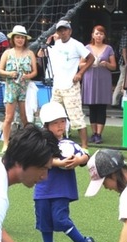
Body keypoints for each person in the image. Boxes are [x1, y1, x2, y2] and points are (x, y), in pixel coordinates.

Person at [33, 101, 93, 242]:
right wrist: (59, 163)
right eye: (55, 123)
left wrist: (78, 160)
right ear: (46, 125)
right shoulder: (40, 143)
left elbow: (86, 155)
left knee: (60, 218)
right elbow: (40, 159)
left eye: (62, 121)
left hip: (62, 189)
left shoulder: (69, 144)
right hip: (43, 188)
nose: (60, 126)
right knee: (44, 219)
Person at [38, 20, 94, 150]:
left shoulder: (76, 44)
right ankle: (52, 143)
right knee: (52, 115)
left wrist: (80, 73)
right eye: (60, 30)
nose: (62, 32)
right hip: (57, 86)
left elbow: (91, 58)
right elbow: (40, 55)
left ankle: (85, 146)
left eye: (65, 30)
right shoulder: (56, 44)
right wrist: (47, 42)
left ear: (70, 31)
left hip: (70, 86)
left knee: (76, 117)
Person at [0, 25, 38, 152]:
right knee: (8, 117)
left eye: (22, 37)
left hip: (24, 88)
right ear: (13, 39)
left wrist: (27, 76)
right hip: (11, 87)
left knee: (24, 116)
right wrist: (10, 74)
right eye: (18, 37)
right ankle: (6, 143)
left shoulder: (30, 53)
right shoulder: (7, 53)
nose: (20, 40)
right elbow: (0, 70)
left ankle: (28, 141)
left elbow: (35, 72)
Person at [81, 25, 116, 145]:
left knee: (101, 107)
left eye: (101, 34)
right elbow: (80, 64)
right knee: (92, 107)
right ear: (92, 35)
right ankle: (93, 133)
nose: (98, 36)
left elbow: (114, 66)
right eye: (96, 33)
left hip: (103, 79)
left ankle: (99, 134)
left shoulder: (109, 48)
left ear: (104, 36)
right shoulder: (86, 48)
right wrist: (89, 64)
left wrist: (106, 64)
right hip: (90, 79)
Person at [112, 22, 127, 107]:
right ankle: (115, 101)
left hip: (124, 63)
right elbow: (124, 50)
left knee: (122, 81)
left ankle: (115, 101)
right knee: (122, 81)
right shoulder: (126, 37)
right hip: (124, 63)